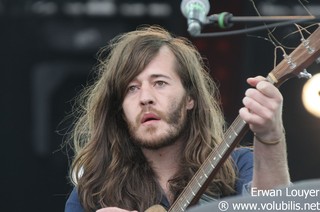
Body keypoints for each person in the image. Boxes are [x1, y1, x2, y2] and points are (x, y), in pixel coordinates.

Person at [65, 25, 290, 212]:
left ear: (189, 98)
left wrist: (271, 136)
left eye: (159, 83)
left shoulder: (239, 168)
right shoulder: (92, 192)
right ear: (120, 110)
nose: (145, 98)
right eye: (131, 88)